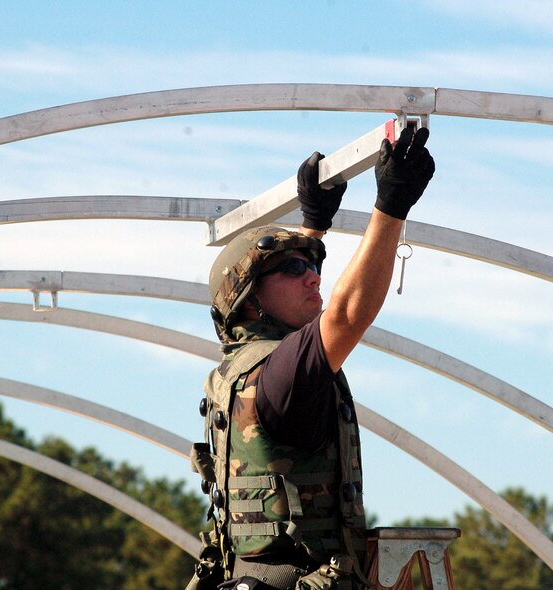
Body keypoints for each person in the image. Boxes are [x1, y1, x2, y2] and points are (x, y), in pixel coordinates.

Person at [188, 126, 434, 590]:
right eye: (295, 269)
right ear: (249, 300)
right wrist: (391, 205)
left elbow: (296, 319)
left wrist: (314, 223)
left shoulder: (241, 371)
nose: (314, 277)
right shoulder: (280, 375)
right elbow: (346, 314)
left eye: (312, 266)